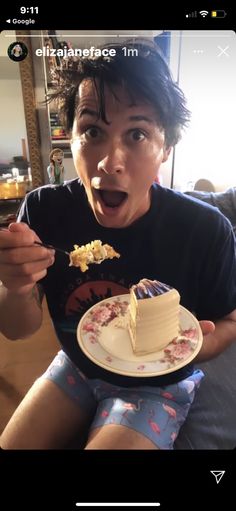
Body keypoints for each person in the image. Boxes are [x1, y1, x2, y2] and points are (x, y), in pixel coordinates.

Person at [1, 39, 236, 450]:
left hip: (157, 385)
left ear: (166, 147)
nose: (111, 161)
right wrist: (15, 287)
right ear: (69, 138)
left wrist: (195, 346)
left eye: (137, 133)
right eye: (92, 130)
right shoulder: (43, 210)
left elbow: (230, 320)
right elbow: (17, 330)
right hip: (75, 365)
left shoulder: (205, 230)